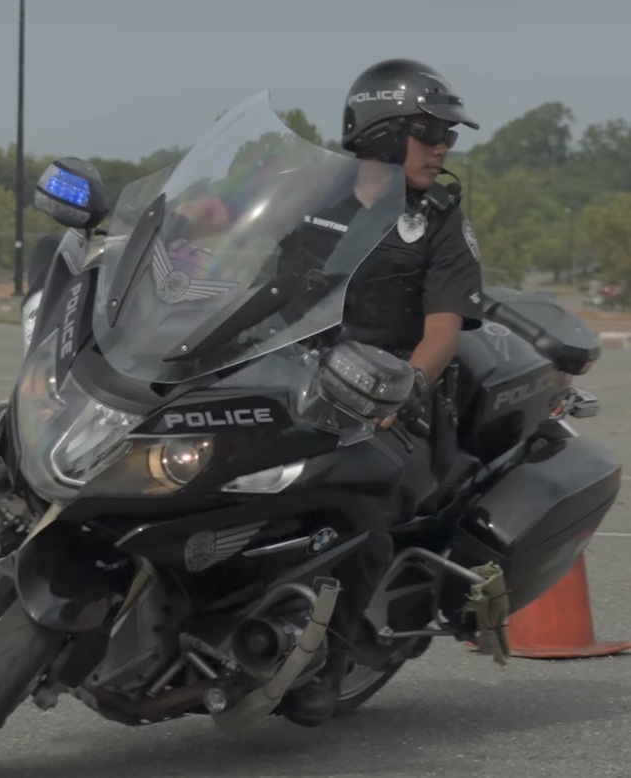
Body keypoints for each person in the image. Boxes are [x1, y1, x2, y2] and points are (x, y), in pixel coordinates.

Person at [279, 57, 485, 727]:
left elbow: (442, 332)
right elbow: (252, 289)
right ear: (384, 133)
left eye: (447, 136)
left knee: (361, 505)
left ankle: (330, 661)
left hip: (389, 402)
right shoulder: (310, 204)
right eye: (431, 133)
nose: (444, 147)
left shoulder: (439, 220)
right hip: (294, 380)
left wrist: (402, 390)